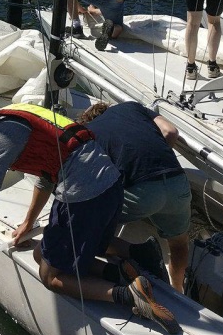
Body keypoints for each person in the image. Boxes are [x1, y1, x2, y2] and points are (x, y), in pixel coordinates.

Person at [0, 100, 181, 335]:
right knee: (41, 253)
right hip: (111, 184)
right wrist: (27, 222)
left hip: (84, 195)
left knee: (51, 277)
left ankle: (128, 295)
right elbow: (47, 173)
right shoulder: (14, 114)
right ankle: (129, 263)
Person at [78, 101, 191, 292]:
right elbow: (170, 132)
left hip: (141, 191)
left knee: (88, 231)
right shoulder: (132, 107)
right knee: (179, 244)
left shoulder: (89, 133)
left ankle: (137, 255)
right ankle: (178, 290)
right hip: (176, 182)